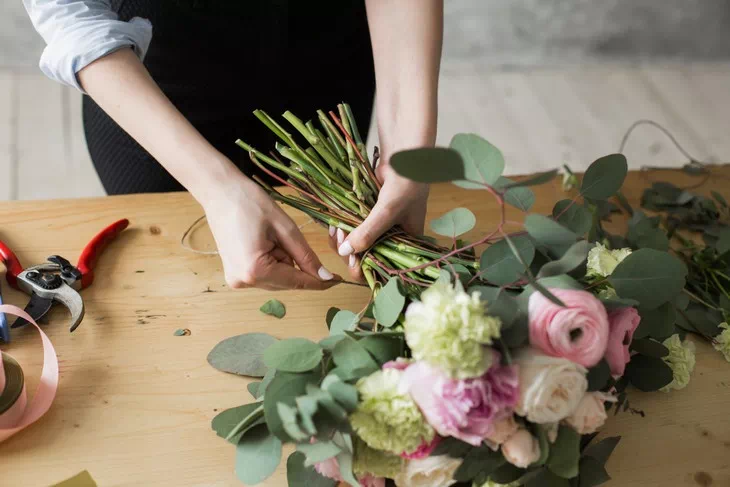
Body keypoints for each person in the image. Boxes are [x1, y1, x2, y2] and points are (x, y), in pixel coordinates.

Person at [23, 0, 443, 291]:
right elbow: (70, 16)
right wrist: (216, 187)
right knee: (171, 278)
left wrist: (408, 150)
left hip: (326, 58)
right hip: (153, 82)